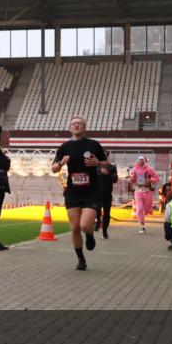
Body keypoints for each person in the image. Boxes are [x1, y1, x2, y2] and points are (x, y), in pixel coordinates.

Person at [51, 116, 108, 270]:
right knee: (75, 227)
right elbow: (54, 168)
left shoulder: (94, 145)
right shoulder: (64, 147)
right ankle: (81, 259)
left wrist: (97, 163)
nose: (76, 125)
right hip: (72, 192)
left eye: (79, 123)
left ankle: (89, 234)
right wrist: (61, 163)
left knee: (84, 225)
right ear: (70, 128)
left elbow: (106, 164)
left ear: (84, 127)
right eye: (73, 123)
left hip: (91, 191)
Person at [128, 156, 159, 234]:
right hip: (138, 191)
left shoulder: (149, 169)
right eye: (139, 160)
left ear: (145, 161)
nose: (140, 162)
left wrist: (150, 180)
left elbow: (156, 178)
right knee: (139, 209)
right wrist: (131, 178)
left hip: (148, 192)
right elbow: (132, 180)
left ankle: (147, 211)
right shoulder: (134, 169)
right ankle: (142, 226)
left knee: (147, 209)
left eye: (142, 160)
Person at [96, 160, 119, 239]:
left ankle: (104, 231)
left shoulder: (112, 167)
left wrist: (108, 174)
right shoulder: (95, 166)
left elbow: (115, 179)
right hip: (96, 194)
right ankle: (98, 220)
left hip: (107, 194)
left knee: (107, 213)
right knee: (96, 209)